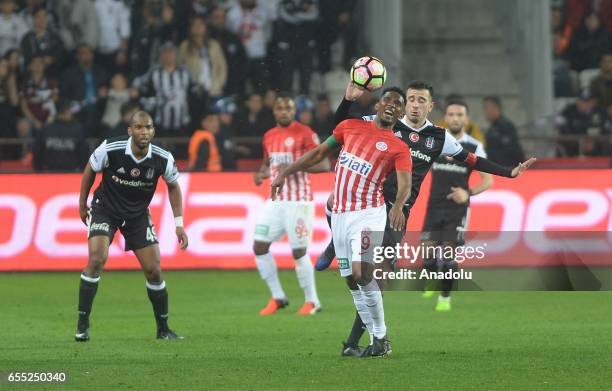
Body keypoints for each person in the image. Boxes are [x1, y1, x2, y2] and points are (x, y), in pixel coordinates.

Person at [316, 80, 536, 356]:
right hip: (367, 205)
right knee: (355, 252)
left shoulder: (439, 137)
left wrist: (508, 172)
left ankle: (358, 341)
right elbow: (342, 127)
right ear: (405, 103)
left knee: (375, 279)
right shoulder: (387, 120)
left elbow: (472, 160)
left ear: (431, 106)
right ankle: (336, 251)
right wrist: (347, 100)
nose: (416, 105)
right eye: (411, 99)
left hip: (398, 213)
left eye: (422, 100)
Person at [271, 87, 413, 356]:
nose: (392, 105)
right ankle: (376, 340)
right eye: (388, 100)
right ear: (377, 105)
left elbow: (405, 183)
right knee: (350, 279)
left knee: (362, 272)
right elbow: (317, 153)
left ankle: (381, 338)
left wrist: (397, 206)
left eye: (398, 103)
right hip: (340, 215)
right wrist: (285, 173)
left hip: (369, 214)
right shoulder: (350, 127)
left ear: (402, 113)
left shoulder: (398, 146)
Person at [75, 110, 189, 341]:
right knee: (96, 259)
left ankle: (163, 330)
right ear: (130, 131)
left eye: (148, 127)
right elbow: (90, 169)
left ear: (153, 130)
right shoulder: (110, 148)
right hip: (105, 209)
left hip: (137, 216)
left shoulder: (162, 158)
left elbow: (174, 186)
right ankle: (82, 326)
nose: (144, 132)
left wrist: (179, 225)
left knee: (154, 270)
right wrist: (82, 203)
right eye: (138, 127)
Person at [253, 93, 328, 316]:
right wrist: (261, 174)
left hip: (299, 201)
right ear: (274, 111)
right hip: (276, 201)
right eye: (280, 108)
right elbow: (269, 165)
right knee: (259, 246)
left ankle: (312, 301)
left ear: (293, 111)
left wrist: (293, 168)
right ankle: (277, 296)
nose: (283, 111)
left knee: (298, 251)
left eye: (288, 108)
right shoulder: (269, 136)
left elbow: (323, 164)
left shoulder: (305, 133)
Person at [421, 100, 492, 311]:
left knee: (449, 255)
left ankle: (445, 297)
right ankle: (433, 278)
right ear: (446, 117)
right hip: (433, 207)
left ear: (466, 119)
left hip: (457, 210)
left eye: (460, 115)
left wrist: (466, 193)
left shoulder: (474, 147)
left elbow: (487, 180)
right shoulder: (435, 141)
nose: (455, 118)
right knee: (428, 255)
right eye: (451, 114)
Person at [33, 98, 87, 171]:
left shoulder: (46, 128)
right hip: (71, 174)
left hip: (49, 173)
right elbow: (83, 153)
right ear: (66, 111)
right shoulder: (77, 129)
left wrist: (39, 170)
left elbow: (37, 152)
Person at [483, 95, 525, 166]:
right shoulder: (493, 128)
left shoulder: (506, 127)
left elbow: (513, 151)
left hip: (505, 170)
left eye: (487, 108)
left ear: (496, 108)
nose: (485, 111)